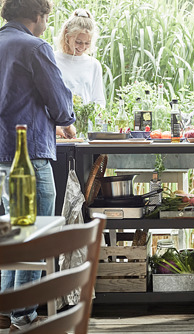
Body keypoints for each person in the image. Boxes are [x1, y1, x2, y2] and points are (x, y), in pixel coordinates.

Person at [0, 0, 75, 330]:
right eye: (46, 17)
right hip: (27, 153)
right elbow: (59, 103)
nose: (47, 23)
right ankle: (24, 315)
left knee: (12, 232)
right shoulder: (35, 47)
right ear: (36, 15)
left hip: (1, 154)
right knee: (35, 231)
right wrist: (66, 119)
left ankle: (5, 307)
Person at [54, 8, 105, 107]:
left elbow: (99, 100)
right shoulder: (53, 59)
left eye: (87, 43)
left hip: (86, 121)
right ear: (67, 35)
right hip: (60, 122)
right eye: (78, 42)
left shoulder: (93, 64)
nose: (82, 47)